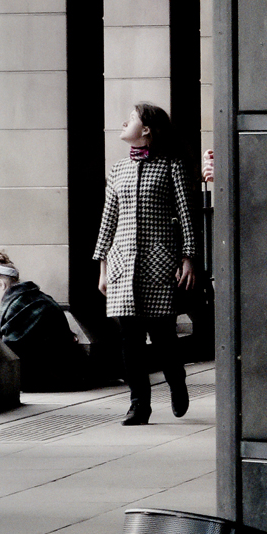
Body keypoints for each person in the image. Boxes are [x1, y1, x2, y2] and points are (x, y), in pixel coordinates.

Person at [94, 102, 197, 425]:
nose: (125, 122)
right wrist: (103, 266)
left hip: (158, 263)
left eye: (132, 119)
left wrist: (188, 257)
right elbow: (108, 219)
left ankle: (176, 382)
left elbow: (186, 213)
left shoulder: (171, 166)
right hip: (123, 263)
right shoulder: (118, 169)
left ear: (148, 129)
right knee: (130, 340)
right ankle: (139, 404)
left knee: (164, 336)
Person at [0, 248, 90, 392]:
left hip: (50, 378)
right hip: (65, 374)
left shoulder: (17, 305)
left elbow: (12, 350)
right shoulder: (37, 298)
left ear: (1, 284)